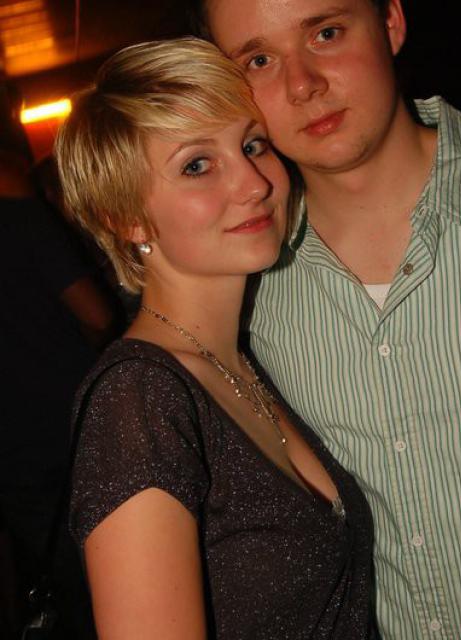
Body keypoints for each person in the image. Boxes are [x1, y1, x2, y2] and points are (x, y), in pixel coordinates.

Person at [190, 0, 461, 637]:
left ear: (392, 23)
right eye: (259, 60)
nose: (302, 84)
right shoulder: (242, 278)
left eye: (326, 32)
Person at [55, 37, 377, 640]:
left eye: (252, 145)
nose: (254, 183)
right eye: (197, 165)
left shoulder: (247, 361)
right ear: (126, 218)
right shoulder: (138, 399)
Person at [0, 148, 119, 640]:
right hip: (78, 420)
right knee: (124, 572)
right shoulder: (20, 217)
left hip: (15, 450)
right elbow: (97, 315)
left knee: (73, 593)